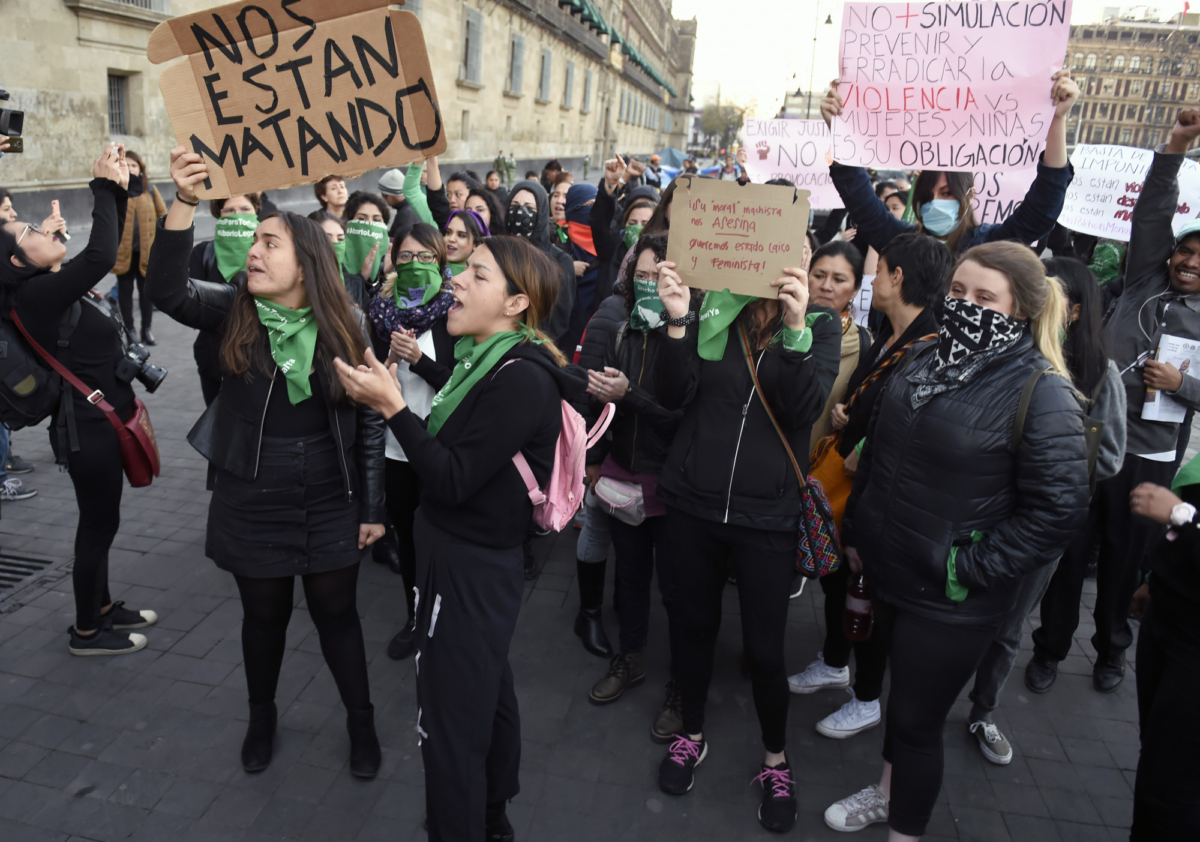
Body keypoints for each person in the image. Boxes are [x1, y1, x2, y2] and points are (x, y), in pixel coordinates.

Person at [823, 242, 1089, 836]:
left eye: (985, 297)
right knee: (900, 708)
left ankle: (904, 828)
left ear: (1019, 310)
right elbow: (882, 456)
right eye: (959, 293)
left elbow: (1060, 510)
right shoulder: (925, 359)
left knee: (918, 723)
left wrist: (965, 568)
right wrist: (862, 530)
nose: (967, 306)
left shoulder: (1041, 392)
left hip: (951, 598)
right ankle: (887, 793)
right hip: (890, 570)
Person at [335, 234, 583, 842]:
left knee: (448, 729)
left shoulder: (521, 377)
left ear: (516, 304)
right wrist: (401, 386)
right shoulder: (484, 359)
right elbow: (457, 446)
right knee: (487, 698)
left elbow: (449, 477)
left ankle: (461, 825)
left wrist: (393, 408)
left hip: (472, 572)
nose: (456, 282)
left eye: (476, 274)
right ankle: (492, 817)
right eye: (462, 270)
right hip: (458, 563)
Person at [149, 147, 386, 778]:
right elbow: (166, 290)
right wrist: (184, 199)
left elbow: (367, 420)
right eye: (253, 241)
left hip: (331, 491)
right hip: (251, 488)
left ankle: (361, 723)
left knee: (338, 615)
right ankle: (262, 717)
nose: (253, 251)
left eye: (269, 243)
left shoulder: (347, 321)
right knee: (264, 616)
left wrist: (373, 505)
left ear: (306, 263)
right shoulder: (235, 308)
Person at [652, 252, 841, 833]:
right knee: (692, 626)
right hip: (692, 503)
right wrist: (679, 320)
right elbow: (671, 393)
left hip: (767, 517)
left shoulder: (820, 323)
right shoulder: (712, 306)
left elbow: (802, 409)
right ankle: (692, 733)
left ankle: (775, 759)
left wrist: (794, 328)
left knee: (764, 650)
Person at [1026, 109, 1200, 696]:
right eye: (1185, 252)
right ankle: (1049, 647)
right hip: (1087, 439)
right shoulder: (1147, 281)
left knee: (1126, 559)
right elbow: (1153, 211)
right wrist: (1175, 145)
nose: (1189, 262)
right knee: (1070, 550)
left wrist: (1183, 387)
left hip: (1149, 455)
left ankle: (1110, 650)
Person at [961, 256, 1126, 766]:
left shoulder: (1098, 377)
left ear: (1073, 310)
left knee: (1008, 628)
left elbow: (1112, 457)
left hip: (1036, 532)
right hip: (975, 516)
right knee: (948, 611)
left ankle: (982, 711)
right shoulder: (993, 355)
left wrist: (1055, 459)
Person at [792, 235, 950, 742]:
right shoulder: (893, 335)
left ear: (897, 278)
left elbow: (918, 430)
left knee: (870, 596)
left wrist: (871, 443)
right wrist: (849, 414)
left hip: (882, 500)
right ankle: (835, 662)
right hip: (854, 491)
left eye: (876, 272)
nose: (870, 282)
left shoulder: (928, 346)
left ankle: (865, 699)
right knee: (842, 583)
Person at [0, 142, 157, 654]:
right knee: (98, 525)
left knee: (102, 523)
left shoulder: (47, 286)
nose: (40, 230)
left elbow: (85, 265)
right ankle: (87, 630)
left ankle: (103, 606)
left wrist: (52, 242)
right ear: (16, 261)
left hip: (99, 421)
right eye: (27, 233)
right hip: (87, 429)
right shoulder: (36, 296)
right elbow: (102, 255)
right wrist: (105, 188)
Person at [577, 234, 689, 742]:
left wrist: (632, 396)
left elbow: (679, 414)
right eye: (642, 275)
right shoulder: (620, 330)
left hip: (674, 485)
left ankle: (683, 686)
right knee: (632, 579)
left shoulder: (688, 339)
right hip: (623, 477)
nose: (650, 285)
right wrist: (595, 459)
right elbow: (594, 403)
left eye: (660, 277)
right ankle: (631, 659)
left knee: (681, 589)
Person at [819, 72, 1080, 258]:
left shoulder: (991, 245)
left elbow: (1044, 205)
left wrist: (1057, 120)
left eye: (946, 193)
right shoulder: (899, 240)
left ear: (970, 194)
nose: (934, 202)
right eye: (926, 195)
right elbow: (859, 198)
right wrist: (840, 127)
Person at [368, 222, 457, 661]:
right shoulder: (380, 313)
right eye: (406, 257)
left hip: (438, 448)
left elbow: (463, 386)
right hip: (393, 448)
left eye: (426, 257)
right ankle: (414, 617)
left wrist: (419, 361)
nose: (415, 265)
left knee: (439, 536)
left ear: (441, 262)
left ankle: (446, 618)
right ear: (393, 260)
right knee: (407, 535)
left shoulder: (454, 315)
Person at [1126, 467, 1200, 840]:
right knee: (1154, 760)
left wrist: (1182, 517)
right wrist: (1156, 579)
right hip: (1167, 619)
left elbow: (1188, 516)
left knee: (1172, 797)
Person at [190, 193, 263, 406]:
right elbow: (193, 307)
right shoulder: (203, 252)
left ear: (256, 211)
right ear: (218, 214)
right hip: (214, 354)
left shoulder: (270, 252)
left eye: (244, 209)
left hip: (261, 353)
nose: (236, 216)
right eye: (229, 210)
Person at [506, 179, 576, 346]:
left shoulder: (559, 261)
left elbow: (558, 321)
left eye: (530, 208)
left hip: (539, 349)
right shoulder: (497, 254)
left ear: (542, 213)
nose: (521, 212)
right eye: (514, 205)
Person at [111, 151, 166, 347]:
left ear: (141, 169)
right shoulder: (115, 190)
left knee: (146, 293)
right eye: (127, 164)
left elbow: (163, 216)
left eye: (134, 165)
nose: (131, 168)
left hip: (147, 252)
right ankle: (130, 332)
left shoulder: (149, 189)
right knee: (125, 294)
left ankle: (147, 329)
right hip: (123, 252)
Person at [592, 155, 658, 302]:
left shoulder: (665, 256)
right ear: (624, 223)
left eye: (645, 223)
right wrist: (611, 183)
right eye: (633, 223)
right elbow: (600, 220)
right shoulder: (611, 248)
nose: (638, 228)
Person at [377, 168, 419, 239]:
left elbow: (398, 242)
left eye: (384, 196)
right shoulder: (412, 206)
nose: (384, 201)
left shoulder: (407, 214)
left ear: (391, 194)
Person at [444, 209, 488, 276]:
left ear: (476, 244)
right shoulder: (430, 269)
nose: (451, 239)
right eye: (448, 232)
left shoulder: (481, 278)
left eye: (461, 235)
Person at [550, 174, 571, 247]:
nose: (559, 201)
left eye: (566, 196)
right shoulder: (542, 227)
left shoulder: (578, 233)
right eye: (556, 195)